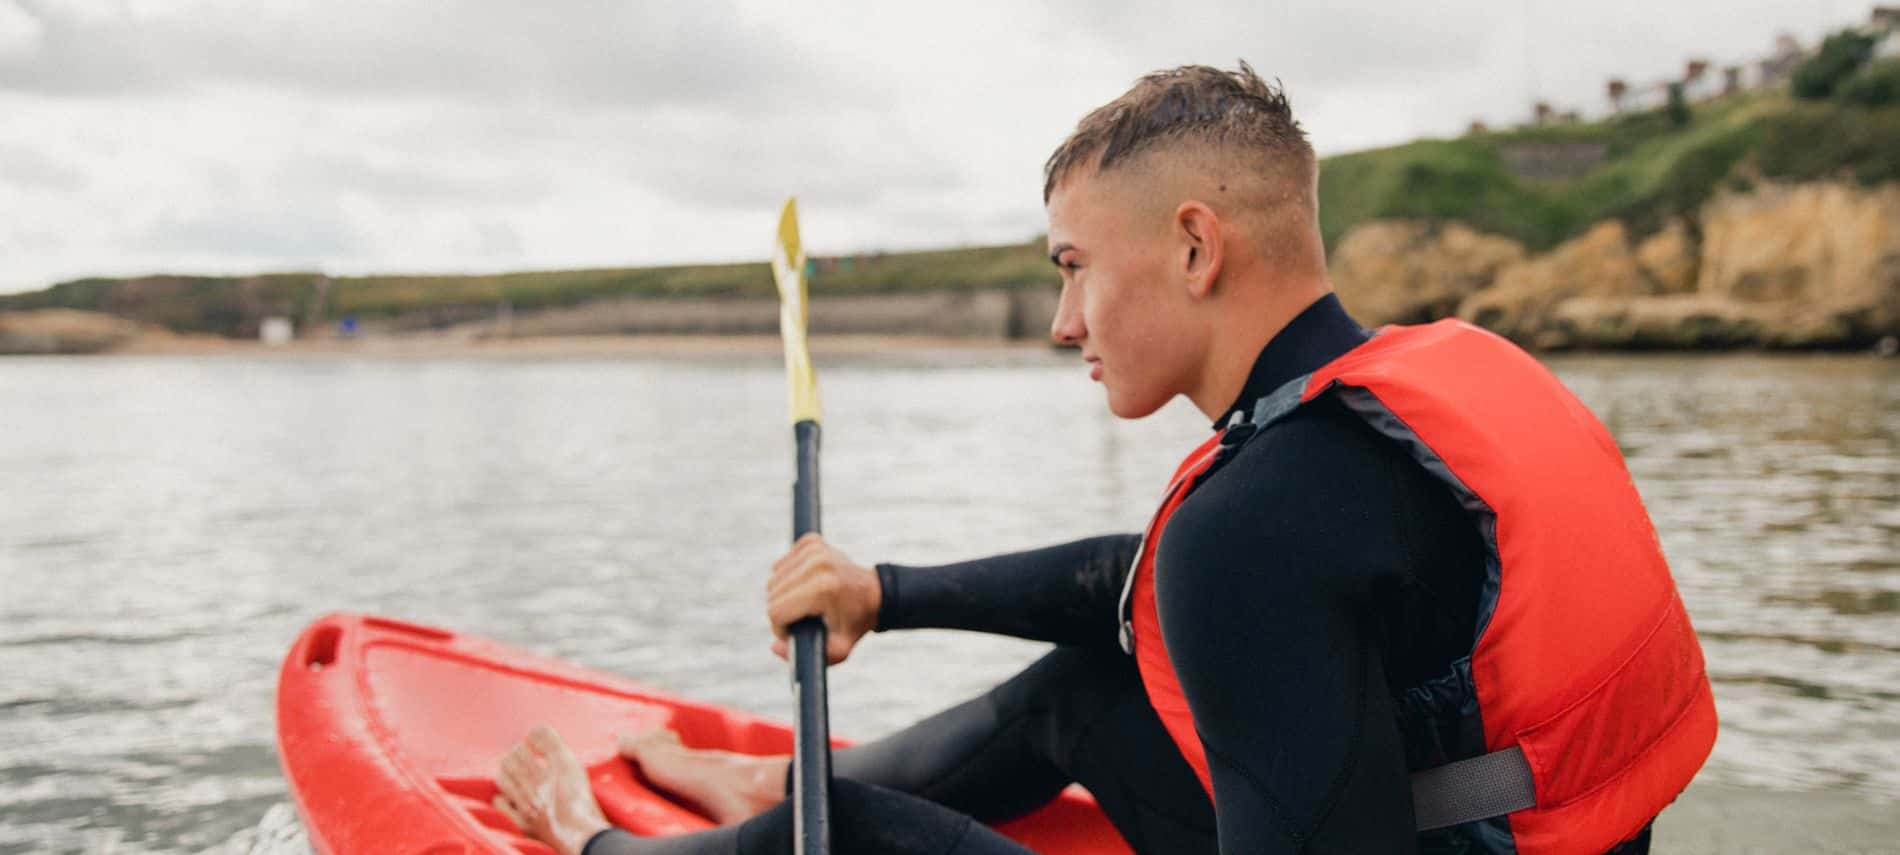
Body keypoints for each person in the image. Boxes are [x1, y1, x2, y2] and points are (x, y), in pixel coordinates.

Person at [493, 63, 1716, 855]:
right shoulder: (1419, 394)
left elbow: (1217, 577)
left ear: (1194, 247)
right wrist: (887, 595)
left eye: (1072, 267)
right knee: (1084, 690)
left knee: (847, 826)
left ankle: (601, 843)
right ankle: (758, 789)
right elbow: (1139, 589)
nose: (1062, 323)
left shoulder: (1259, 522)